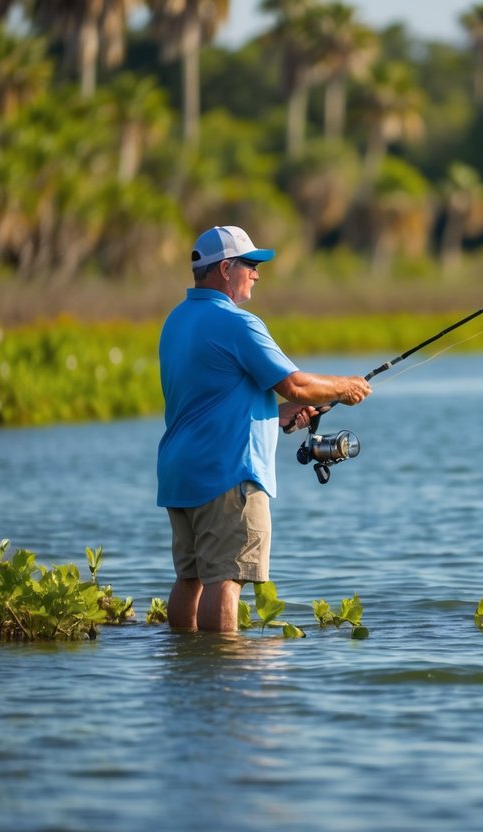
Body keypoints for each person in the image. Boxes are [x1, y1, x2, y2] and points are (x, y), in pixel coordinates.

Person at [157, 225, 371, 632]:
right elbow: (294, 383)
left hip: (179, 475)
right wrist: (345, 388)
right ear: (225, 269)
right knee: (226, 578)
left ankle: (185, 664)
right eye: (250, 265)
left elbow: (213, 398)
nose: (256, 273)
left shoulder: (176, 321)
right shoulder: (238, 323)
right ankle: (224, 677)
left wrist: (279, 414)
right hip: (228, 475)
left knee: (191, 578)